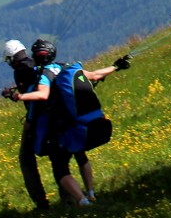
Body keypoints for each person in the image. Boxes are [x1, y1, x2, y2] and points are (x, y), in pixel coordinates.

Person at [11, 38, 129, 207]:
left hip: (61, 129)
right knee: (81, 157)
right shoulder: (67, 68)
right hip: (78, 123)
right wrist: (116, 66)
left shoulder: (44, 75)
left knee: (60, 170)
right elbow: (95, 75)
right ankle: (91, 193)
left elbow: (43, 95)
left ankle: (82, 201)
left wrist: (19, 96)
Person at [1, 39, 53, 210]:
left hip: (37, 118)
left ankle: (41, 201)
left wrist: (30, 122)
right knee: (58, 157)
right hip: (54, 114)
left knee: (26, 159)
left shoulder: (21, 71)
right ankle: (69, 196)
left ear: (11, 58)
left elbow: (32, 98)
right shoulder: (35, 64)